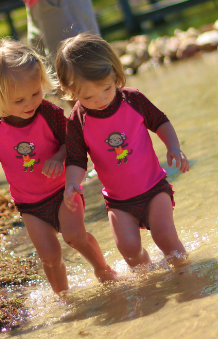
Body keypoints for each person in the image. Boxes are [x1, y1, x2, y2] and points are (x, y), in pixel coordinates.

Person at [0, 38, 116, 294]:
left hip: (62, 191)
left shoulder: (48, 113)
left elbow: (73, 142)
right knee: (49, 256)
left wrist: (58, 157)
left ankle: (103, 270)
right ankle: (64, 298)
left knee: (75, 237)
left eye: (35, 93)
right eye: (19, 100)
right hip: (30, 204)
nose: (30, 103)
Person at [55, 33, 189, 269]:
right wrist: (72, 183)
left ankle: (185, 272)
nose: (100, 99)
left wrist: (173, 147)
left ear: (115, 73)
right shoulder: (77, 120)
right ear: (70, 91)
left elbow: (160, 122)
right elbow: (76, 159)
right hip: (118, 201)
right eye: (88, 96)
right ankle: (148, 277)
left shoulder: (132, 99)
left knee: (164, 235)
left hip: (153, 188)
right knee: (128, 249)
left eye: (106, 88)